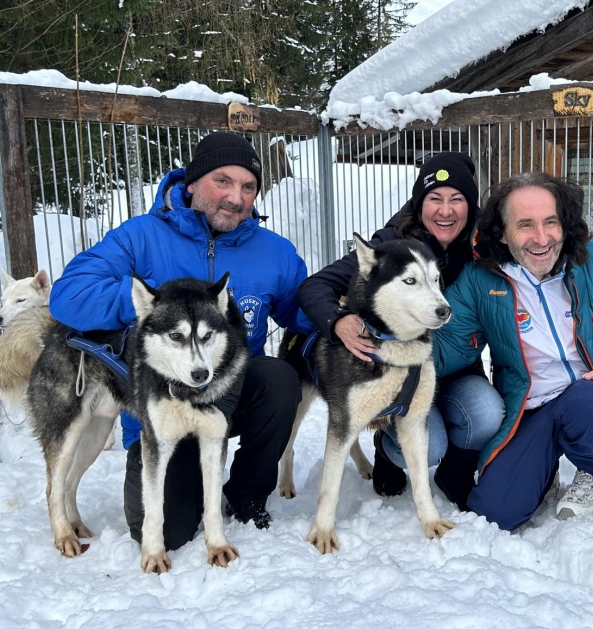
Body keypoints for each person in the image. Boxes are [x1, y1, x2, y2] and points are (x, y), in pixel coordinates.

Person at [50, 132, 312, 550]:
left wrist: (344, 317)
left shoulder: (274, 252)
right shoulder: (140, 237)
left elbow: (303, 314)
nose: (236, 197)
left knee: (280, 378)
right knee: (170, 533)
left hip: (229, 393)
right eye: (222, 181)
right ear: (191, 184)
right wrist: (156, 302)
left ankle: (245, 495)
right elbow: (69, 296)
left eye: (248, 187)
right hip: (160, 407)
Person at [432, 172, 593, 530]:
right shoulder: (482, 281)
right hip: (531, 408)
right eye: (525, 225)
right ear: (502, 232)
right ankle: (542, 476)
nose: (541, 239)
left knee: (590, 400)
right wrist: (380, 341)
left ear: (565, 223)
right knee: (496, 513)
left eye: (551, 222)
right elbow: (446, 345)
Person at [296, 152, 505, 498]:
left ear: (471, 205)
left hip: (458, 368)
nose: (445, 210)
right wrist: (338, 322)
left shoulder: (485, 248)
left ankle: (456, 472)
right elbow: (314, 286)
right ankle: (387, 447)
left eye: (457, 199)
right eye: (434, 198)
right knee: (430, 443)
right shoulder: (392, 248)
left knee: (486, 414)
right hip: (400, 371)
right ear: (419, 204)